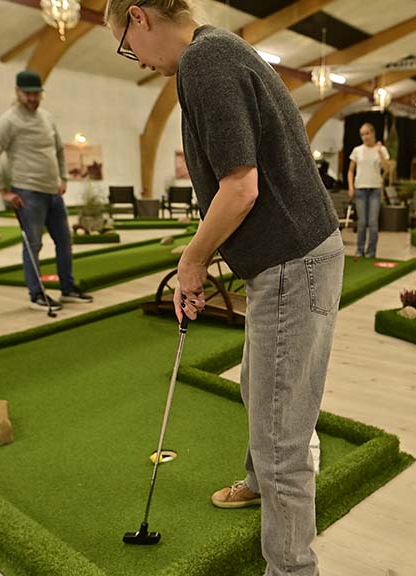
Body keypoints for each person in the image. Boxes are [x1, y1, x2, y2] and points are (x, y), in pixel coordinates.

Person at [106, 2, 343, 575]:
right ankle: (258, 483)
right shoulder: (218, 50)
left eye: (125, 43)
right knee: (265, 398)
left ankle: (291, 569)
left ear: (139, 17)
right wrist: (203, 250)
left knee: (281, 433)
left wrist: (192, 261)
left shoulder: (205, 62)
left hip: (292, 263)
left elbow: (240, 188)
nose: (134, 57)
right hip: (296, 257)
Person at [0, 70, 93, 311]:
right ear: (17, 92)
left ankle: (68, 288)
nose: (32, 98)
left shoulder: (46, 117)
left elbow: (59, 151)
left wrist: (62, 178)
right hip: (27, 192)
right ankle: (36, 294)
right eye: (28, 94)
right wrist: (3, 191)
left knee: (64, 241)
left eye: (36, 94)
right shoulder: (8, 121)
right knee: (33, 245)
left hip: (53, 191)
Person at [347, 123, 391, 259]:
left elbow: (387, 169)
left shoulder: (381, 149)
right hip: (360, 189)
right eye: (362, 134)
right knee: (362, 222)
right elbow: (350, 170)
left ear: (373, 133)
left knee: (373, 222)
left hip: (375, 190)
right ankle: (360, 250)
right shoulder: (357, 150)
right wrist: (350, 187)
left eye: (367, 133)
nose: (364, 137)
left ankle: (371, 252)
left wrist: (379, 152)